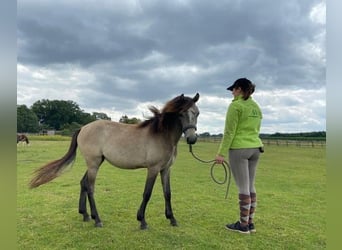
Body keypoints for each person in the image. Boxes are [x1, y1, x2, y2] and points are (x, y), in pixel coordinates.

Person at [215, 77, 263, 234]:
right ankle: (250, 223)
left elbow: (229, 132)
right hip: (255, 148)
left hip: (239, 149)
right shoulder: (256, 107)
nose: (232, 93)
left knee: (243, 187)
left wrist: (221, 153)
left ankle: (243, 226)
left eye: (233, 90)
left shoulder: (235, 106)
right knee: (250, 186)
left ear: (240, 89)